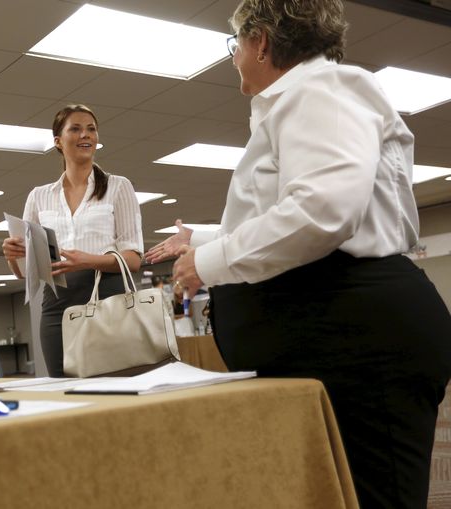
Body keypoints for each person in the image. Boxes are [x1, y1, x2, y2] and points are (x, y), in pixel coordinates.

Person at [145, 1, 451, 507]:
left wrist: (211, 262)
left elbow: (322, 212)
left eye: (235, 45)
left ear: (261, 41)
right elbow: (287, 211)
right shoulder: (298, 101)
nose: (235, 58)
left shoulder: (322, 90)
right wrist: (202, 243)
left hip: (362, 343)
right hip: (341, 341)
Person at [2, 104, 144, 377]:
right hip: (56, 306)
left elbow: (134, 260)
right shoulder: (39, 196)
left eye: (91, 129)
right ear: (58, 141)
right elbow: (24, 271)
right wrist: (13, 256)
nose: (86, 135)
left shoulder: (118, 186)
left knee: (112, 385)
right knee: (64, 390)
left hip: (107, 300)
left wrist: (87, 261)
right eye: (76, 129)